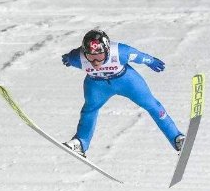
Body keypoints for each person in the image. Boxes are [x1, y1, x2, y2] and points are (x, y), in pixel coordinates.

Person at [60, 29, 184, 157]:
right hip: (97, 85)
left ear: (107, 50)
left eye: (100, 56)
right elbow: (69, 58)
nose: (96, 61)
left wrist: (151, 61)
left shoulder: (120, 52)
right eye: (90, 57)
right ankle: (81, 142)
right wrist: (68, 58)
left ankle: (177, 138)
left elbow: (140, 56)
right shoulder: (77, 57)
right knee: (89, 110)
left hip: (127, 81)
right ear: (85, 53)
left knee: (152, 105)